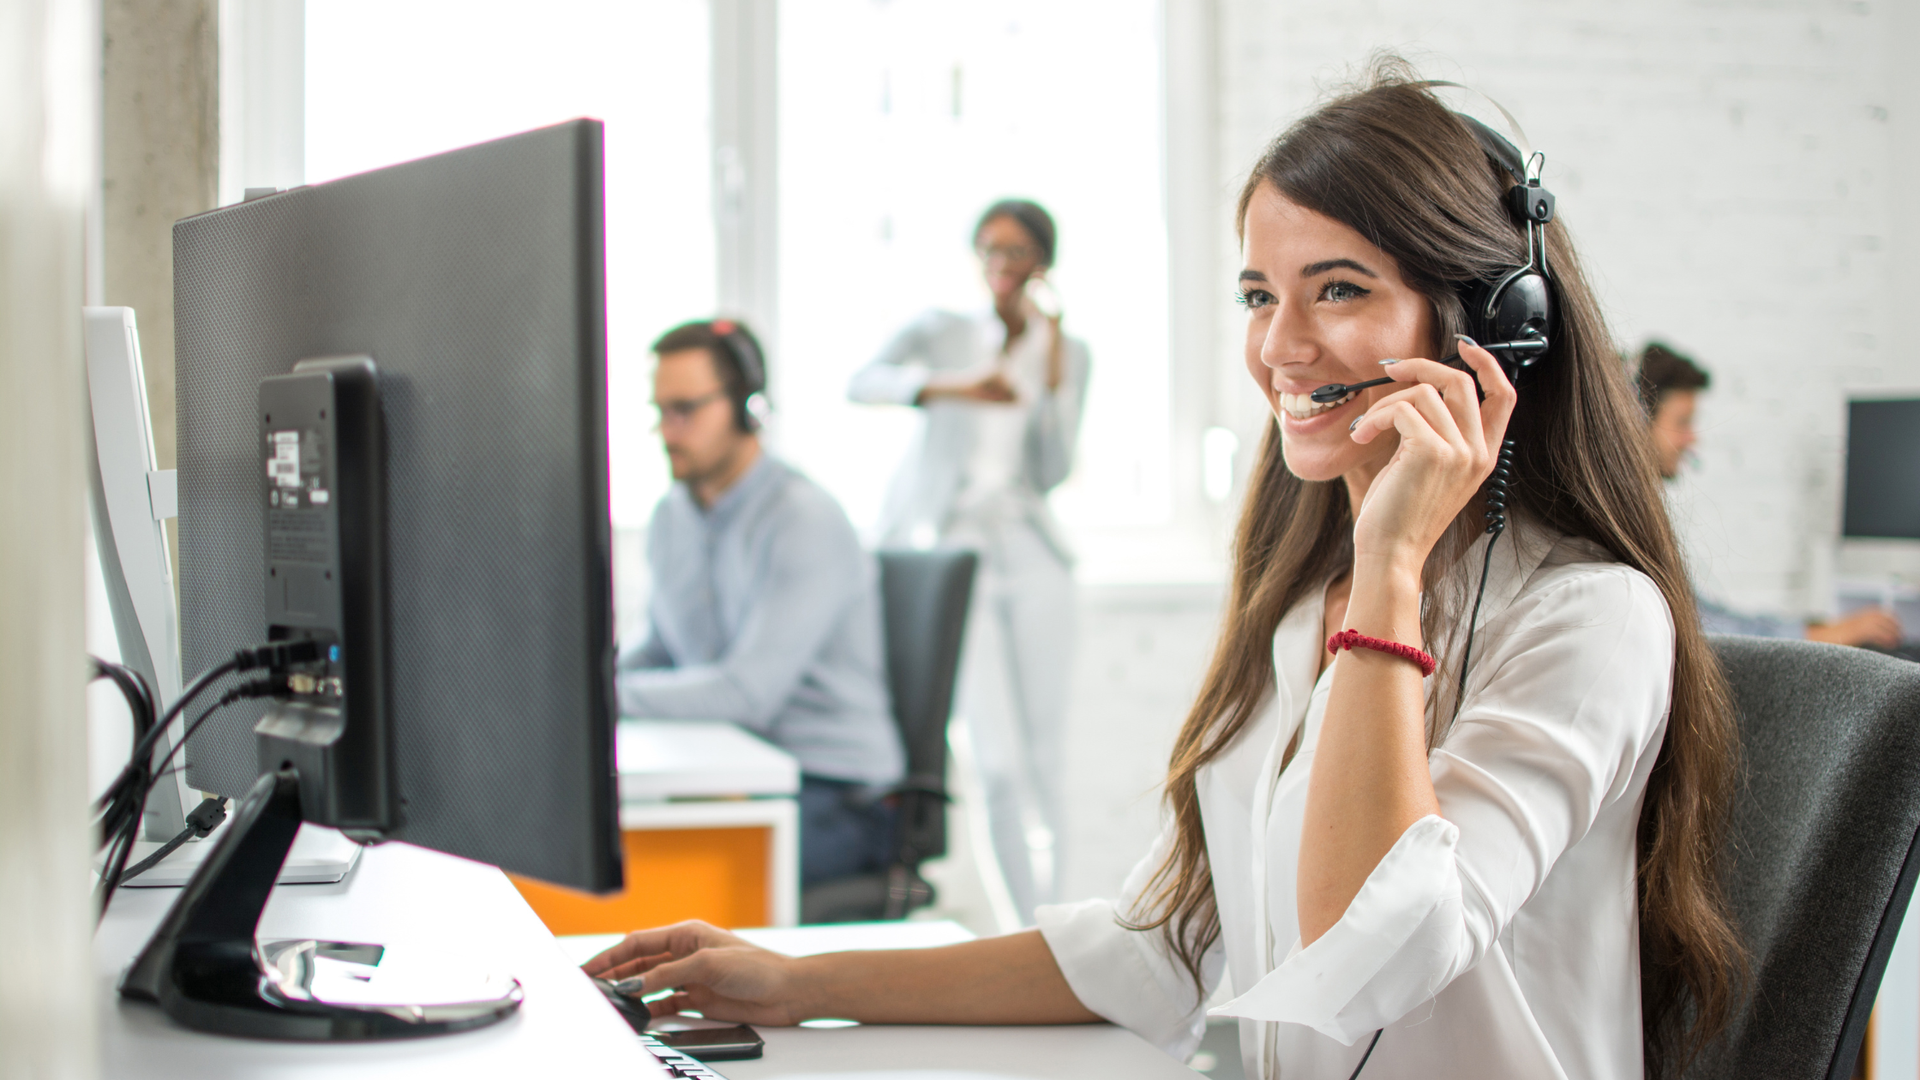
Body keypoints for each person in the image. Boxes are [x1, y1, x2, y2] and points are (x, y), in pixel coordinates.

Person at [587, 66, 1743, 1080]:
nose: (1280, 347)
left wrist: (1391, 561)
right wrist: (794, 985)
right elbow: (1161, 944)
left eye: (1338, 288)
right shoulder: (1302, 610)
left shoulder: (1590, 620)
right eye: (1258, 295)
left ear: (1494, 326)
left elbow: (1371, 957)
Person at [846, 199, 1091, 922]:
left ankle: (1061, 925)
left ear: (1042, 263)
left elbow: (1052, 469)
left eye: (1015, 252)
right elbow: (861, 382)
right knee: (997, 763)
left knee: (1047, 760)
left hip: (1031, 548)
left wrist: (1051, 378)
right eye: (988, 249)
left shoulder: (1066, 350)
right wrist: (953, 387)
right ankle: (1024, 931)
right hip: (954, 549)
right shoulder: (943, 332)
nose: (1000, 265)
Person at [617, 319, 905, 888]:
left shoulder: (802, 518)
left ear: (748, 408)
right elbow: (663, 647)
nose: (668, 432)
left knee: (654, 877)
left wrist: (602, 701)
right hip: (738, 771)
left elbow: (747, 694)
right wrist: (580, 688)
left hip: (837, 795)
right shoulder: (672, 515)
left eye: (685, 410)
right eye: (660, 411)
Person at [1638, 341, 1902, 647]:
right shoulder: (1631, 522)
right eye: (1682, 422)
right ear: (1635, 422)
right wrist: (1824, 636)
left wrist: (1812, 630)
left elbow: (1708, 616)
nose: (1692, 438)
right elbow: (1709, 635)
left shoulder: (1644, 513)